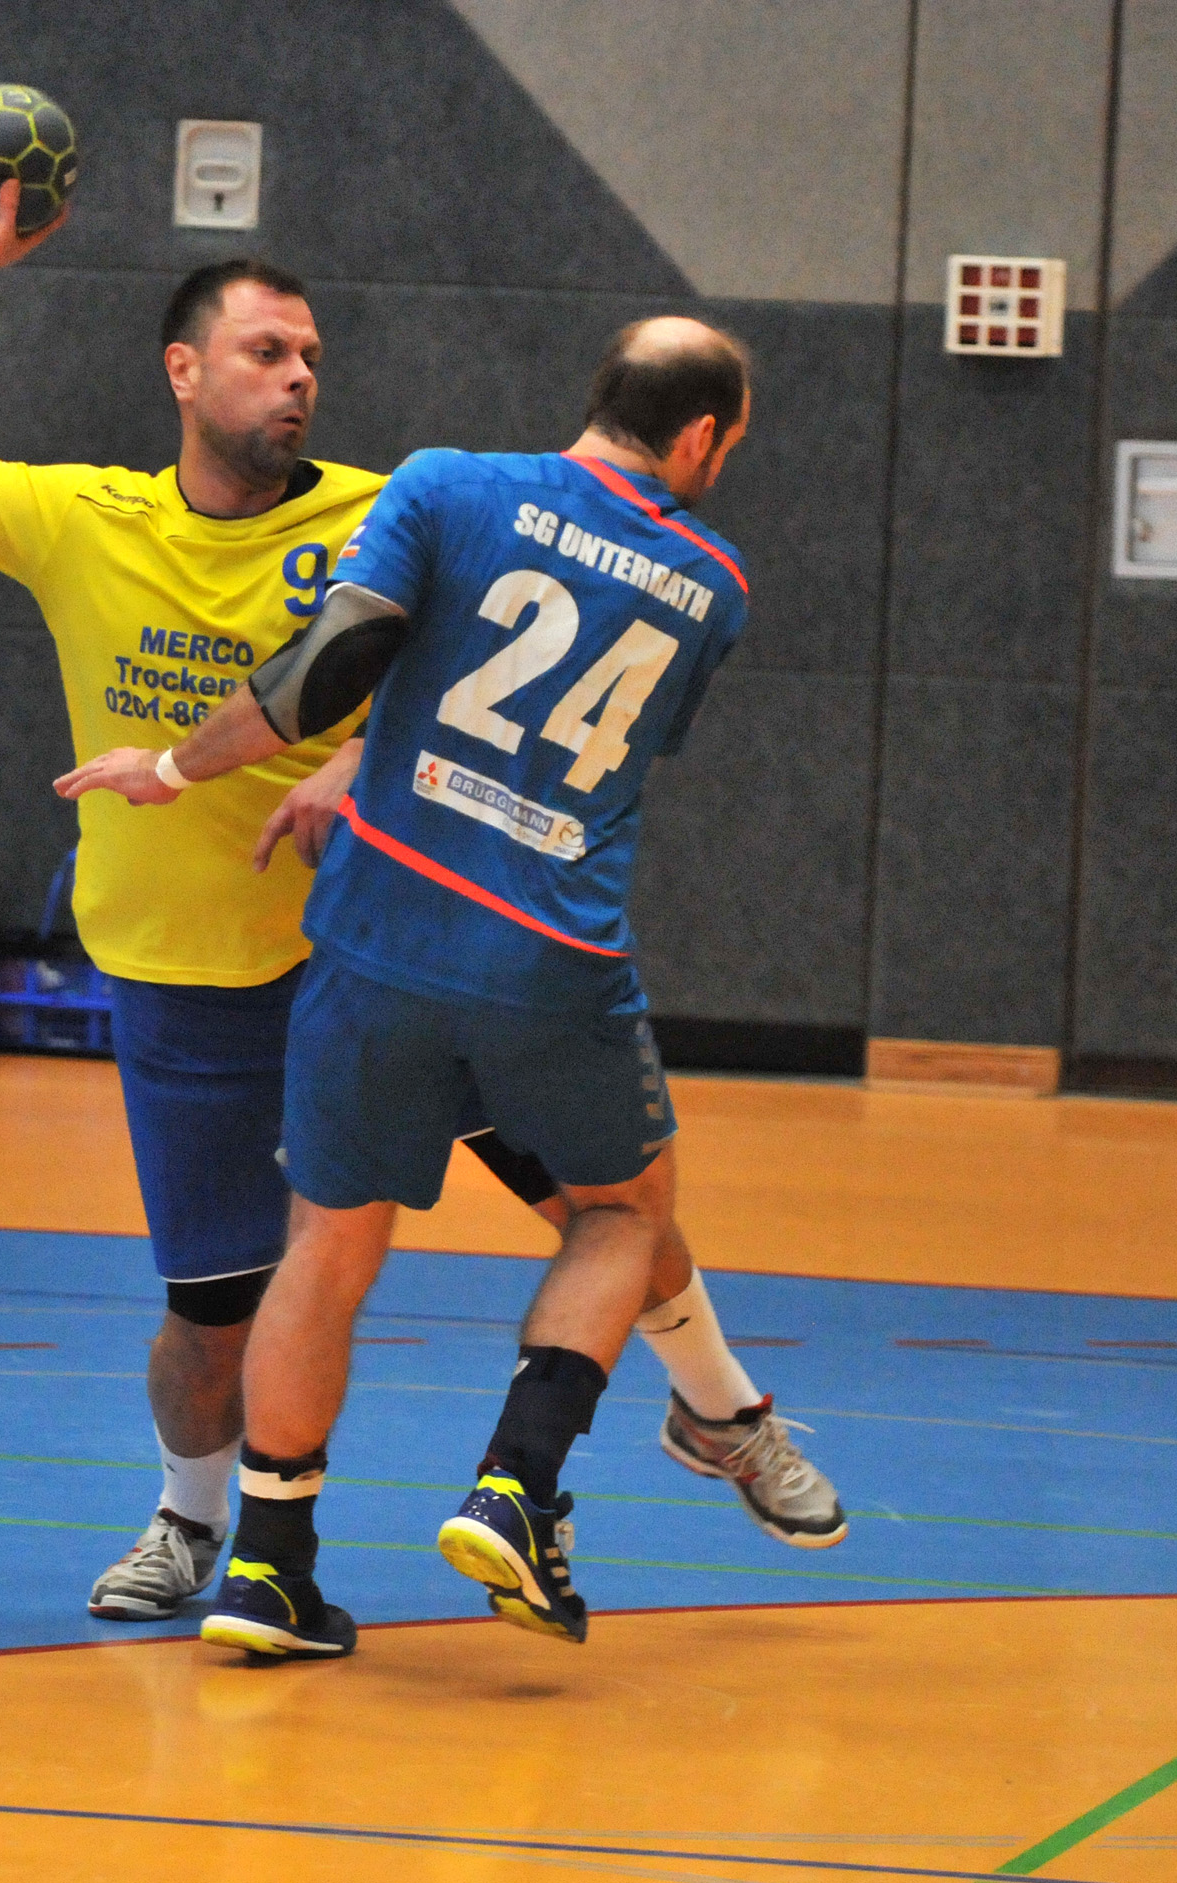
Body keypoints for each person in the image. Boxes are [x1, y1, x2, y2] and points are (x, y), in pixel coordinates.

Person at [0, 183, 839, 1625]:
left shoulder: (393, 503)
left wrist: (355, 761)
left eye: (310, 354)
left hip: (375, 947)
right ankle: (195, 1526)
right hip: (188, 973)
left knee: (608, 1209)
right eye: (266, 352)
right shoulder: (78, 517)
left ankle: (725, 1411)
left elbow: (475, 674)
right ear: (183, 371)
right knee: (212, 1312)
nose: (299, 375)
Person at [60, 316, 762, 1656]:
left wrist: (171, 767)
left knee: (325, 1247)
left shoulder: (442, 483)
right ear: (700, 439)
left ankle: (265, 1571)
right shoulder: (713, 582)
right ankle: (517, 1484)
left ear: (597, 393)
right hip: (548, 952)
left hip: (377, 931)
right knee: (622, 1215)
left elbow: (336, 664)